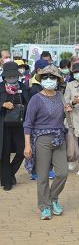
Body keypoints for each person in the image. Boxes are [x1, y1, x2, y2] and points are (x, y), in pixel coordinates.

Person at [23, 65, 68, 220]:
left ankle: (53, 198)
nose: (49, 80)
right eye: (45, 77)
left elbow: (64, 116)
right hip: (41, 140)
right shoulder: (35, 99)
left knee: (63, 172)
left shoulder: (61, 96)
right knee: (42, 176)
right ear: (41, 80)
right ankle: (44, 206)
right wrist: (27, 145)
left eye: (52, 77)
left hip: (59, 138)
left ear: (57, 80)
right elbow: (28, 123)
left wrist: (69, 109)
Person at [0, 62, 30, 191]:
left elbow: (29, 103)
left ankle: (9, 173)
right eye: (9, 76)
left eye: (14, 75)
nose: (12, 78)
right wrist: (2, 104)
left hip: (19, 125)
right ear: (4, 76)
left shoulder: (23, 87)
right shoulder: (0, 87)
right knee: (4, 153)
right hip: (4, 126)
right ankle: (7, 181)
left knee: (22, 151)